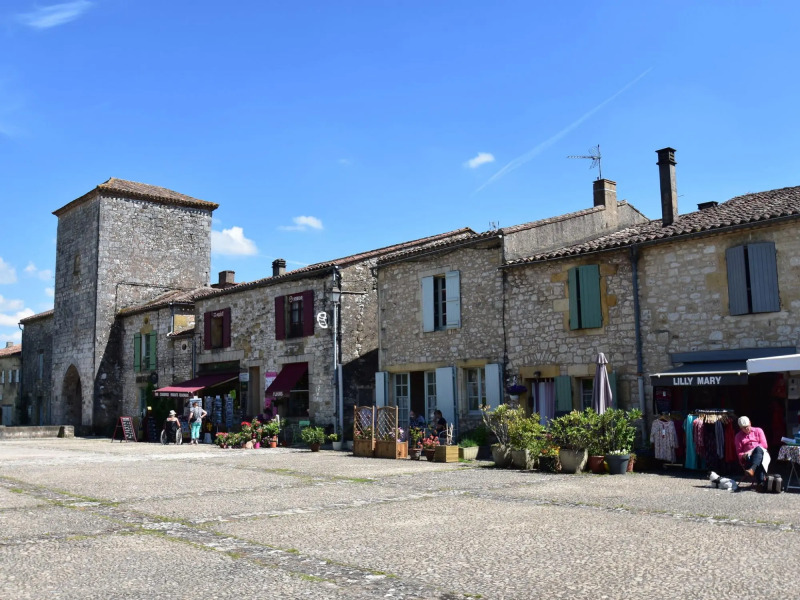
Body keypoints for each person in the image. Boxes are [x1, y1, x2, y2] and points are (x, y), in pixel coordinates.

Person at [734, 415, 770, 486]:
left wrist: (751, 451)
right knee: (759, 458)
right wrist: (744, 455)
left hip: (763, 454)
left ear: (750, 423)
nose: (746, 428)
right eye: (744, 427)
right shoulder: (738, 436)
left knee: (758, 449)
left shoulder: (758, 430)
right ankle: (761, 483)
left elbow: (764, 445)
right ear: (740, 428)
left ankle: (752, 469)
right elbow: (739, 453)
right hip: (749, 458)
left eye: (747, 426)